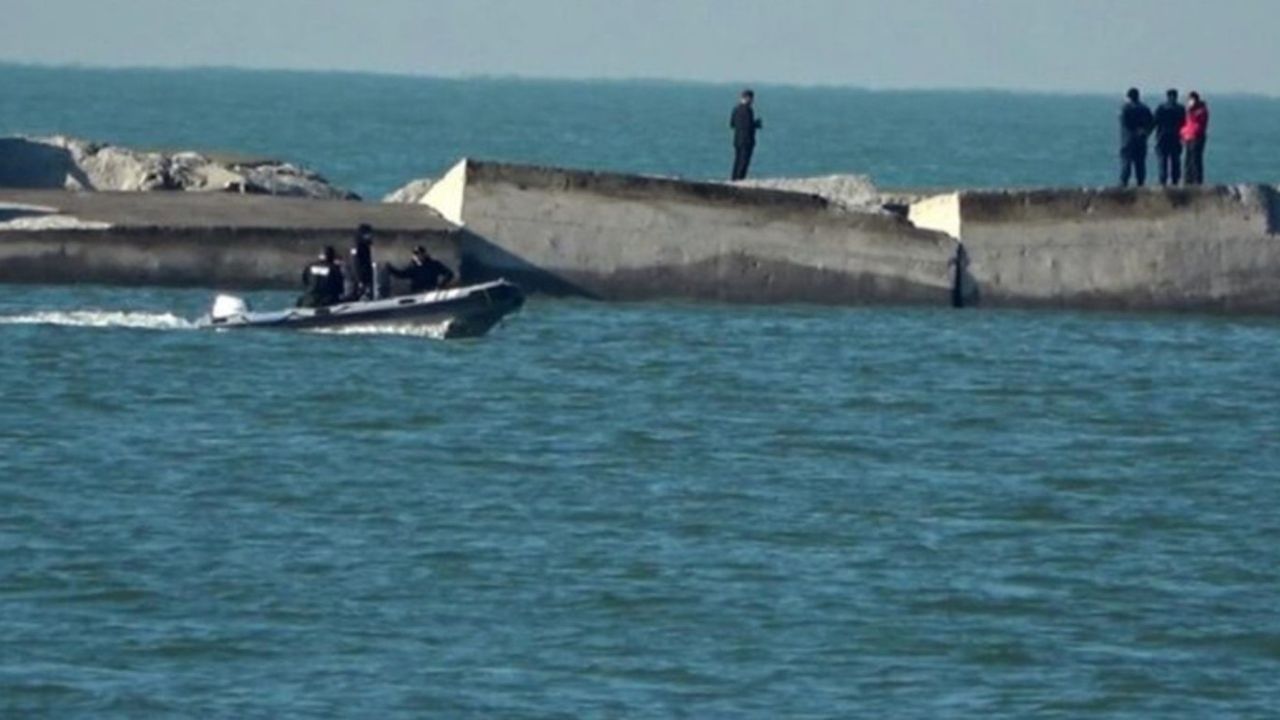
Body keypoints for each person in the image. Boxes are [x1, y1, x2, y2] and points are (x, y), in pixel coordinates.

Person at [1118, 87, 1155, 187]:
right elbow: (1152, 123)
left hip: (1128, 140)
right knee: (1140, 163)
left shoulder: (1125, 108)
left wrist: (1134, 132)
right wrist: (1146, 132)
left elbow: (1125, 123)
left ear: (1128, 97)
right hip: (1141, 140)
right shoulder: (1145, 108)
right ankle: (1141, 183)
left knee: (1126, 162)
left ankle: (1124, 183)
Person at [1152, 89, 1186, 186]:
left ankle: (1163, 181)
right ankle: (1175, 181)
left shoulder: (1161, 108)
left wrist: (1146, 134)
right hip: (1176, 137)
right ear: (1176, 96)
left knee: (1163, 160)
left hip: (1162, 137)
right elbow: (1184, 123)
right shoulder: (1180, 109)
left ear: (1167, 96)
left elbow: (1154, 122)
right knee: (1175, 160)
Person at [388, 245, 455, 294]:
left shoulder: (434, 264)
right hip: (417, 294)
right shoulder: (413, 267)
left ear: (424, 254)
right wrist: (389, 268)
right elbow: (401, 275)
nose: (417, 256)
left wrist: (441, 286)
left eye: (419, 254)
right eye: (415, 254)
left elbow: (449, 274)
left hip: (431, 292)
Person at [729, 89, 762, 181]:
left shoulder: (736, 109)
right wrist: (756, 124)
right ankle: (740, 178)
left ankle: (734, 178)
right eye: (752, 99)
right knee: (744, 161)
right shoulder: (748, 110)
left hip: (737, 139)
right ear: (748, 98)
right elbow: (748, 126)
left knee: (737, 160)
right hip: (747, 140)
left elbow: (732, 124)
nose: (752, 101)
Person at [1181, 91, 1210, 185]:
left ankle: (1197, 180)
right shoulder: (1190, 110)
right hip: (1188, 136)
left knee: (1196, 159)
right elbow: (1187, 123)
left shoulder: (1201, 110)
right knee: (1188, 160)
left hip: (1197, 136)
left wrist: (1190, 110)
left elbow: (1196, 120)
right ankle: (1187, 179)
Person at [346, 223, 375, 300]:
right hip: (360, 276)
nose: (370, 236)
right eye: (368, 234)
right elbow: (355, 263)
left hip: (365, 275)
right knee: (359, 294)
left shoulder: (365, 245)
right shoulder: (357, 246)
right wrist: (360, 280)